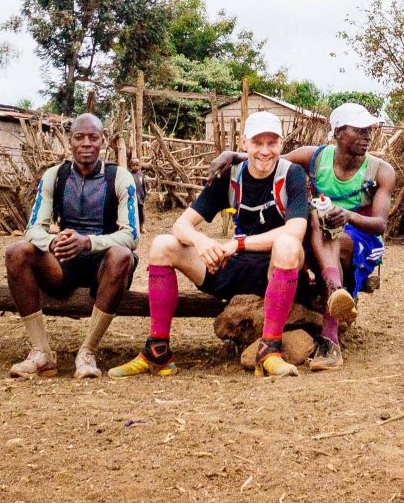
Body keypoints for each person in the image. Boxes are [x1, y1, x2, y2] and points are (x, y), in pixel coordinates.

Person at [109, 110, 309, 378]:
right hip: (233, 267)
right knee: (162, 245)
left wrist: (237, 244)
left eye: (271, 143)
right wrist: (202, 241)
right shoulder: (231, 176)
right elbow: (181, 224)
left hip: (275, 270)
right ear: (243, 143)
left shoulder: (292, 174)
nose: (264, 151)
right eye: (257, 143)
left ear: (281, 144)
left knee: (287, 244)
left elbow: (296, 230)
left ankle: (269, 351)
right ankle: (157, 351)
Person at [210, 101, 395, 372]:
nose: (368, 137)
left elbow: (379, 224)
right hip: (319, 233)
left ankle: (331, 328)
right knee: (315, 217)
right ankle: (334, 294)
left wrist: (347, 215)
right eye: (360, 130)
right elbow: (267, 158)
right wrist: (231, 154)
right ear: (339, 132)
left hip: (359, 238)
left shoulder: (380, 170)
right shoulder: (316, 157)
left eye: (369, 131)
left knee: (329, 229)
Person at [6, 113, 140, 379]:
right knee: (16, 252)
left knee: (124, 255)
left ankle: (87, 351)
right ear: (69, 142)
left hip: (104, 268)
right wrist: (55, 241)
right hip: (63, 262)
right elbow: (33, 229)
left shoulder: (120, 177)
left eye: (93, 137)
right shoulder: (55, 176)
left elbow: (131, 235)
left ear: (103, 141)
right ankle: (41, 353)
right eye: (79, 137)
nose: (86, 143)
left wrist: (88, 242)